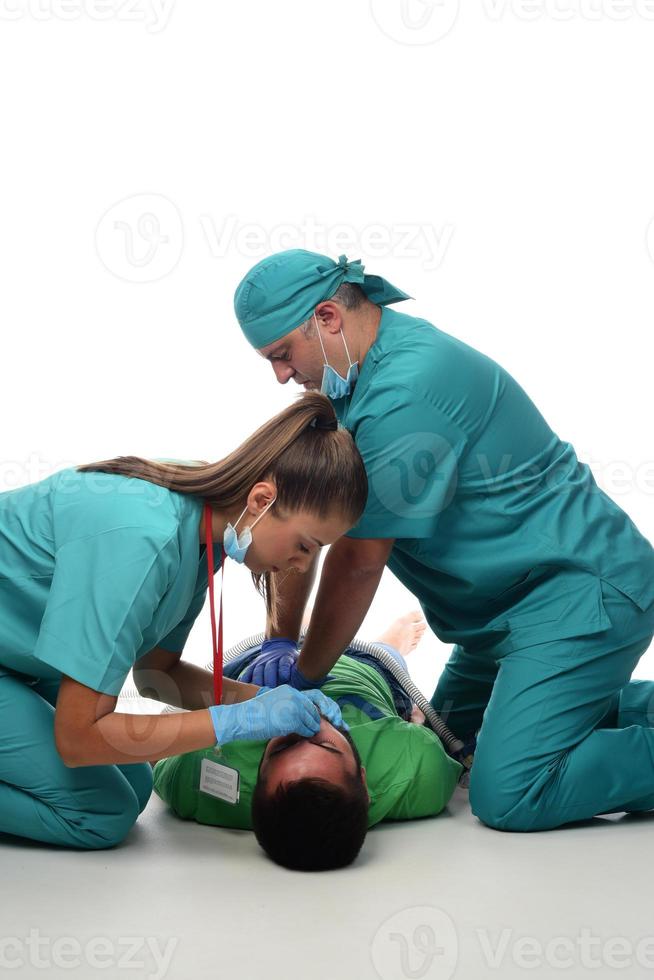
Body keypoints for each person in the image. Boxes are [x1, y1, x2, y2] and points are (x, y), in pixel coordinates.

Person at [233, 248, 654, 833]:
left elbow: (357, 560)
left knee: (508, 792)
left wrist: (306, 673)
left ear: (328, 318)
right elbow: (304, 526)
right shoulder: (346, 383)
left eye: (282, 355)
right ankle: (575, 707)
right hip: (497, 620)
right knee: (444, 746)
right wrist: (280, 645)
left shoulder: (406, 391)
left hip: (581, 596)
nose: (280, 375)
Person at [0, 393, 366, 849]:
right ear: (262, 500)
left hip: (19, 659)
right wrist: (234, 721)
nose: (298, 565)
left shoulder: (203, 526)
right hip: (17, 662)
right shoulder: (143, 538)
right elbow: (77, 738)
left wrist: (268, 699)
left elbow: (158, 674)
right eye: (306, 546)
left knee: (133, 786)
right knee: (101, 813)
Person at [152, 611, 462, 871]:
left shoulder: (202, 778)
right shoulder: (415, 768)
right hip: (359, 665)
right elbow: (433, 748)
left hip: (253, 669)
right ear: (364, 779)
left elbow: (156, 756)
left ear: (255, 781)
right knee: (385, 658)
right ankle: (390, 644)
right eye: (325, 744)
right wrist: (418, 724)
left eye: (285, 745)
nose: (304, 726)